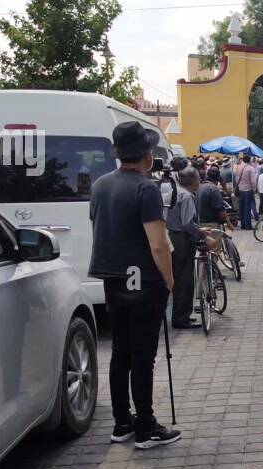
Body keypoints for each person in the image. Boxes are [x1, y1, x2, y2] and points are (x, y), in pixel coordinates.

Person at [88, 122, 180, 448]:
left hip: (112, 277)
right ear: (147, 155)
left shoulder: (100, 185)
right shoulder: (146, 189)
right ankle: (146, 427)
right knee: (143, 356)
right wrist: (169, 279)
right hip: (141, 278)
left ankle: (121, 422)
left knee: (120, 353)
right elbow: (158, 243)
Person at [166, 167, 215, 330]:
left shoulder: (175, 192)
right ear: (195, 181)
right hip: (181, 239)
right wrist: (202, 235)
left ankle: (180, 315)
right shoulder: (186, 196)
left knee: (179, 277)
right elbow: (187, 223)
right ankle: (181, 318)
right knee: (184, 280)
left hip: (173, 235)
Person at [235, 154, 258, 229]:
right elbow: (253, 181)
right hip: (248, 190)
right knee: (247, 208)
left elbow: (236, 179)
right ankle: (248, 225)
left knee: (241, 208)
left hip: (240, 189)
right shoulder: (250, 168)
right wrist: (254, 189)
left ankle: (243, 224)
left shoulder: (238, 167)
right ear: (249, 160)